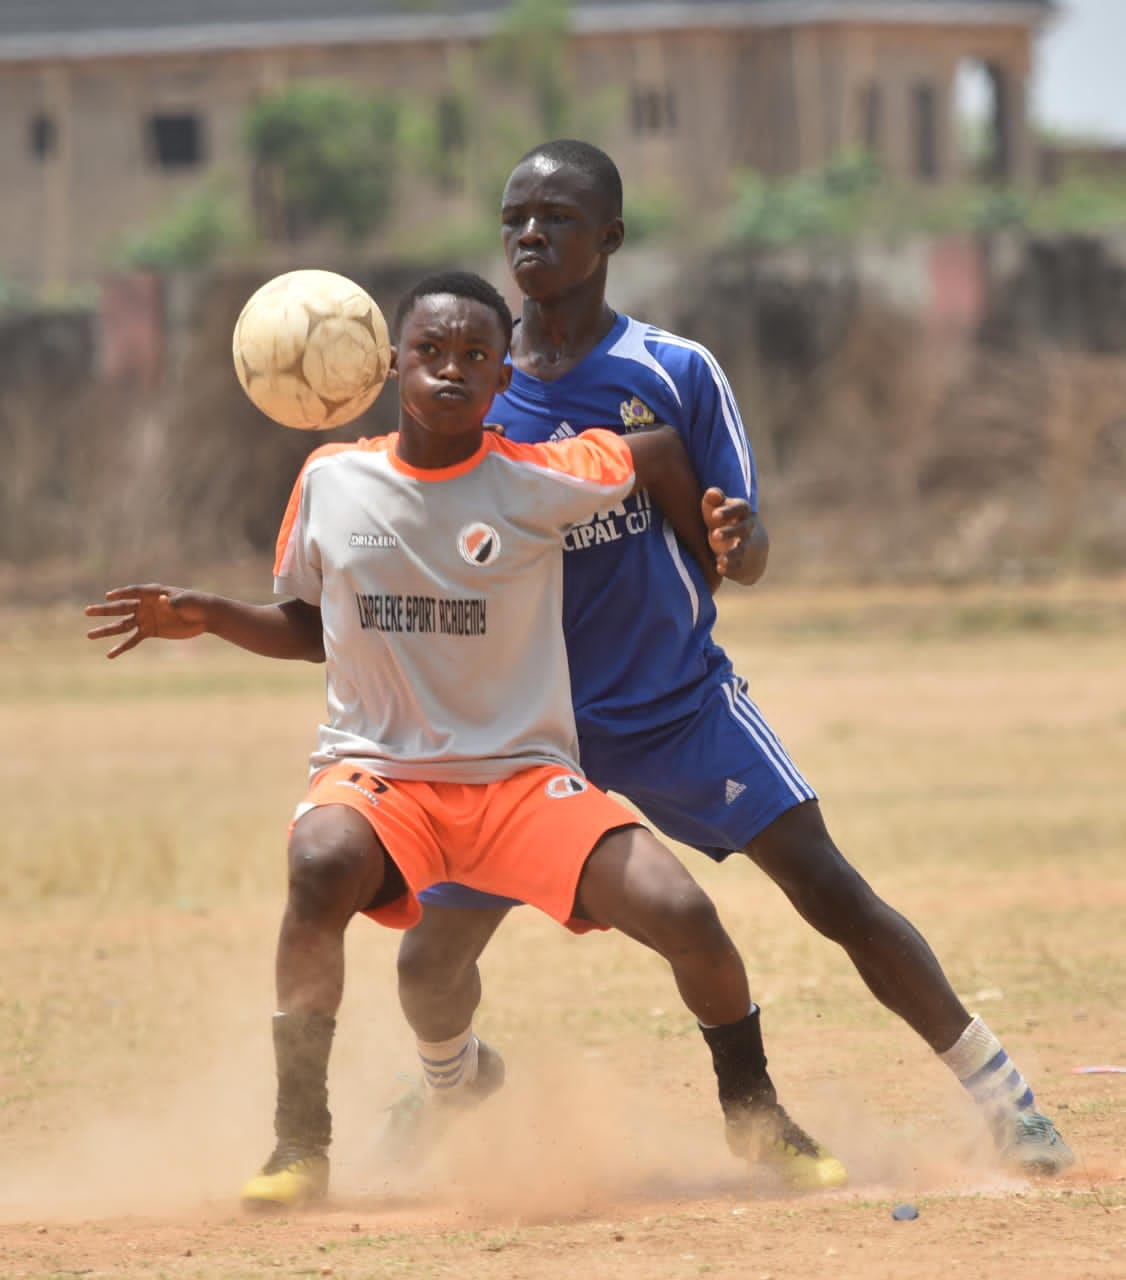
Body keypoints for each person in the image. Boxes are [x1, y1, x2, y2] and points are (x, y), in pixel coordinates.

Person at [85, 270, 845, 1212]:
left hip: (522, 781)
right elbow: (310, 626)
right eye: (432, 352)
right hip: (380, 779)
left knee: (683, 913)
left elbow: (650, 450)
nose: (451, 370)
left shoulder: (535, 476)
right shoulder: (330, 479)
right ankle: (299, 1146)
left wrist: (711, 545)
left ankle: (757, 1113)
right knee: (319, 861)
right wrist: (208, 615)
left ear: (502, 383)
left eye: (476, 358)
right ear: (390, 364)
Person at [389, 141, 1074, 1179]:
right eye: (514, 217)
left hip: (674, 704)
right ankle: (454, 1081)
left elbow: (744, 555)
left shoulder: (672, 372)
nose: (530, 234)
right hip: (527, 727)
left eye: (557, 217)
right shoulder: (472, 383)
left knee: (833, 891)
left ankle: (1003, 1096)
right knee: (430, 956)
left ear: (609, 237)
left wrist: (730, 532)